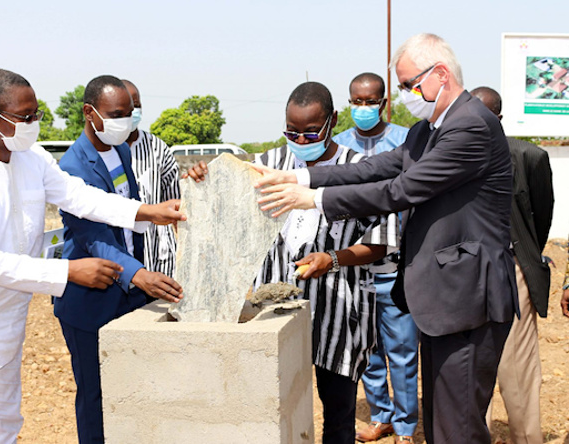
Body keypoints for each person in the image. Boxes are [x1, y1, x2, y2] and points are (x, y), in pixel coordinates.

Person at [253, 33, 517, 444]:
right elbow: (374, 168)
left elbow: (399, 190)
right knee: (443, 423)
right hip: (442, 299)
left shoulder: (469, 127)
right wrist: (299, 175)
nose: (404, 96)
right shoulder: (428, 130)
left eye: (410, 85)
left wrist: (314, 199)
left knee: (459, 428)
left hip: (467, 299)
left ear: (441, 75)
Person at [0, 68, 184, 444]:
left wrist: (145, 212)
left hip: (8, 318)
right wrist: (69, 271)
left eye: (36, 115)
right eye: (23, 118)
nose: (32, 125)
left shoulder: (30, 157)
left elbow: (78, 196)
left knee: (5, 423)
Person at [186, 81, 399, 444]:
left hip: (339, 315)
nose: (301, 142)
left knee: (338, 414)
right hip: (275, 312)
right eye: (292, 132)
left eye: (310, 133)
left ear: (333, 121)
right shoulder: (267, 166)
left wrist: (333, 258)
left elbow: (382, 240)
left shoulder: (358, 169)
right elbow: (224, 210)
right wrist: (205, 179)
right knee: (274, 405)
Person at [54, 75, 184, 444]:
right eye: (116, 114)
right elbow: (91, 236)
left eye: (129, 114)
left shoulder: (122, 150)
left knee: (136, 389)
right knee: (96, 398)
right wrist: (138, 274)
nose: (125, 123)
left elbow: (128, 214)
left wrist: (152, 217)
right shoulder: (73, 166)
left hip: (131, 296)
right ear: (89, 113)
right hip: (90, 299)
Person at [334, 73, 418, 443]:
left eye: (370, 102)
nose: (363, 109)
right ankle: (380, 415)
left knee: (401, 350)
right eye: (357, 102)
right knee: (365, 351)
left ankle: (405, 425)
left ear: (383, 103)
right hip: (352, 267)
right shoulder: (337, 145)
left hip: (396, 264)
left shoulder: (405, 140)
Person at [471, 86, 554, 444]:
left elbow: (540, 216)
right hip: (464, 272)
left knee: (515, 366)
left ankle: (526, 437)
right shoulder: (450, 154)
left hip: (512, 268)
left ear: (498, 119)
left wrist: (524, 255)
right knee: (470, 364)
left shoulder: (528, 156)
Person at [121, 79, 181, 277]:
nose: (132, 112)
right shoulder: (103, 152)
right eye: (126, 107)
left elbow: (177, 200)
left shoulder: (157, 148)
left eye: (136, 105)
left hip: (159, 256)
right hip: (121, 256)